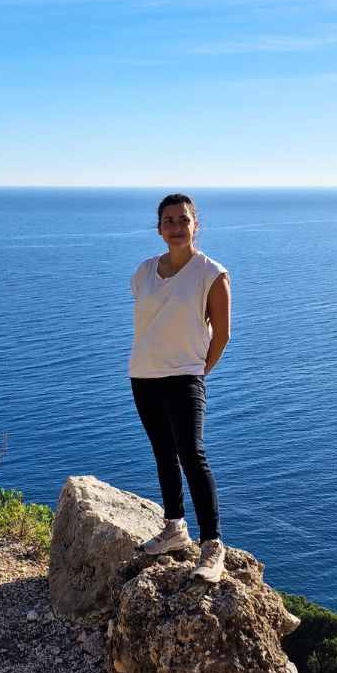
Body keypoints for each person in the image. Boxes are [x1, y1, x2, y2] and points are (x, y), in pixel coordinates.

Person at [129, 193, 231, 583]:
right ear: (159, 228)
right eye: (168, 220)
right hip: (143, 374)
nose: (175, 226)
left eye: (183, 219)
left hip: (186, 375)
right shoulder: (142, 272)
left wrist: (197, 372)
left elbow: (221, 334)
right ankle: (174, 527)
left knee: (192, 453)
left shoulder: (211, 273)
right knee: (163, 453)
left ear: (195, 225)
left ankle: (212, 545)